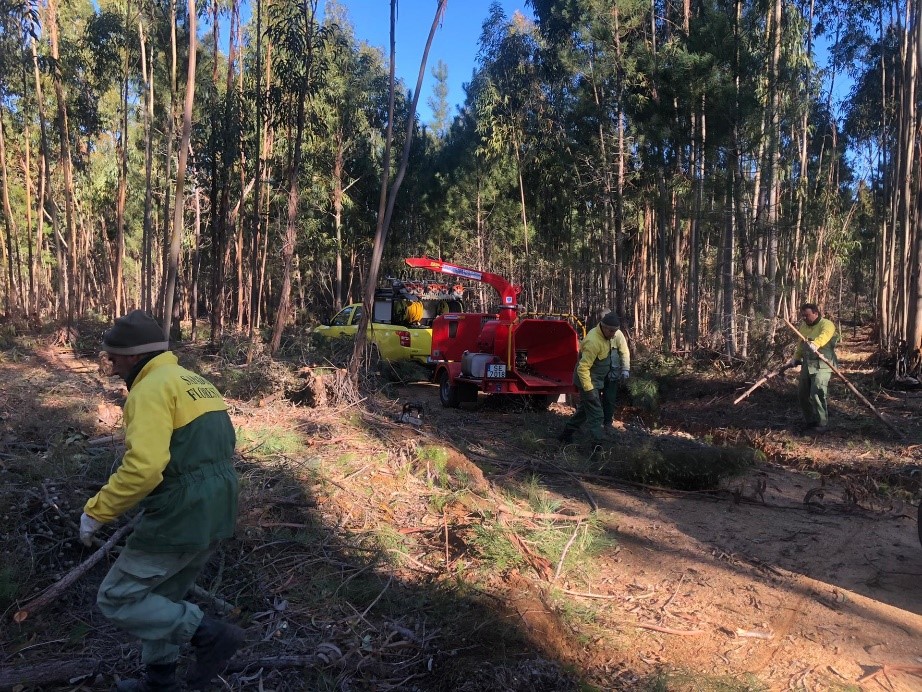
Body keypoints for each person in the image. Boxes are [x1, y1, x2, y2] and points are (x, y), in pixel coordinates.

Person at [79, 310, 244, 692]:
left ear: (135, 355)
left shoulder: (150, 390)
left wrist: (96, 512)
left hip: (181, 513)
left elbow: (144, 468)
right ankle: (160, 683)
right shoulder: (196, 382)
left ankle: (210, 634)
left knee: (117, 598)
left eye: (116, 356)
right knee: (163, 598)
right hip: (218, 507)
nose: (113, 364)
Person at [558, 312, 630, 445]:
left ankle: (565, 434)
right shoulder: (593, 341)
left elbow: (622, 351)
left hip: (597, 380)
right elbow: (583, 368)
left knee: (586, 410)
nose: (614, 334)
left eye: (616, 331)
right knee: (597, 415)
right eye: (612, 331)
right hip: (588, 382)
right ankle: (597, 449)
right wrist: (589, 390)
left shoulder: (608, 336)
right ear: (604, 327)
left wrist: (624, 369)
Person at [784, 303, 839, 433]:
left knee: (817, 392)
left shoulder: (826, 324)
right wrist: (796, 357)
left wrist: (816, 343)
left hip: (823, 365)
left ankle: (822, 422)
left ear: (815, 313)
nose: (804, 318)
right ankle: (810, 421)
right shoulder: (803, 327)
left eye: (807, 315)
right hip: (807, 366)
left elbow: (825, 335)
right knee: (802, 394)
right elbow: (800, 345)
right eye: (803, 315)